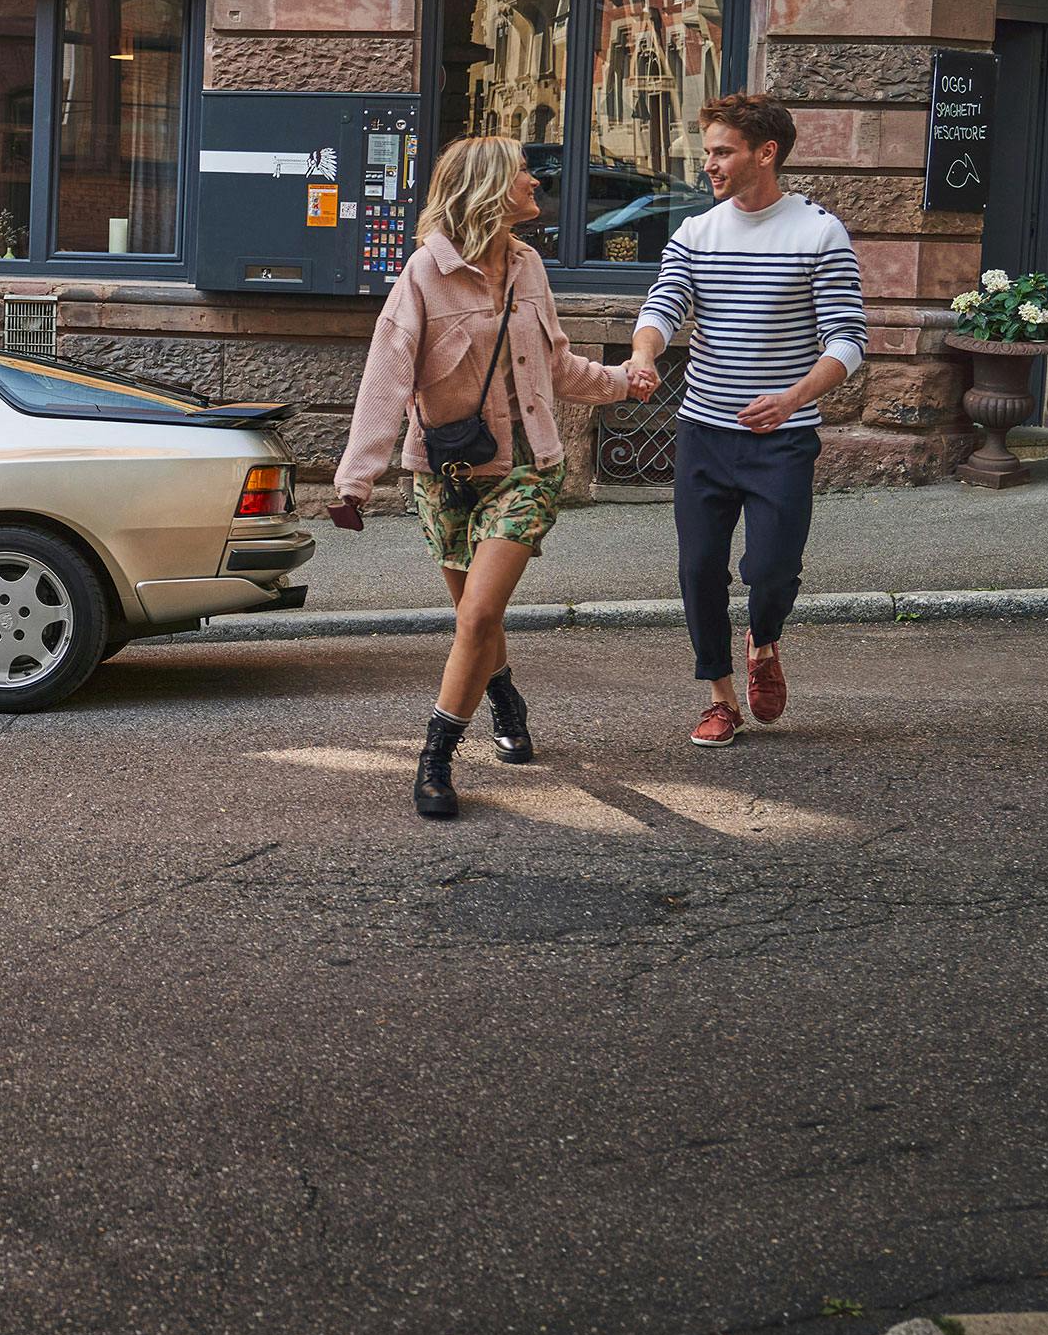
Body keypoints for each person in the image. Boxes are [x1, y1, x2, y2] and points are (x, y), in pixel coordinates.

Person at [337, 135, 657, 819]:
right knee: (474, 621)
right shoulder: (426, 274)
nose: (536, 185)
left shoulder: (529, 266)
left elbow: (557, 367)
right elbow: (386, 379)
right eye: (524, 177)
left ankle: (435, 759)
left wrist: (620, 383)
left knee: (479, 613)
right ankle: (504, 695)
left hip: (527, 472)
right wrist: (355, 480)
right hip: (449, 476)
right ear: (488, 189)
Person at [624, 93, 869, 749]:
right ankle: (721, 698)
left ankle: (765, 641)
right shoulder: (697, 233)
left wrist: (792, 397)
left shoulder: (819, 232)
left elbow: (847, 341)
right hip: (704, 433)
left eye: (723, 151)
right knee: (699, 568)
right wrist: (643, 354)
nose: (711, 164)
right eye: (708, 152)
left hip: (782, 442)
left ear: (766, 153)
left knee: (771, 569)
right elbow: (664, 305)